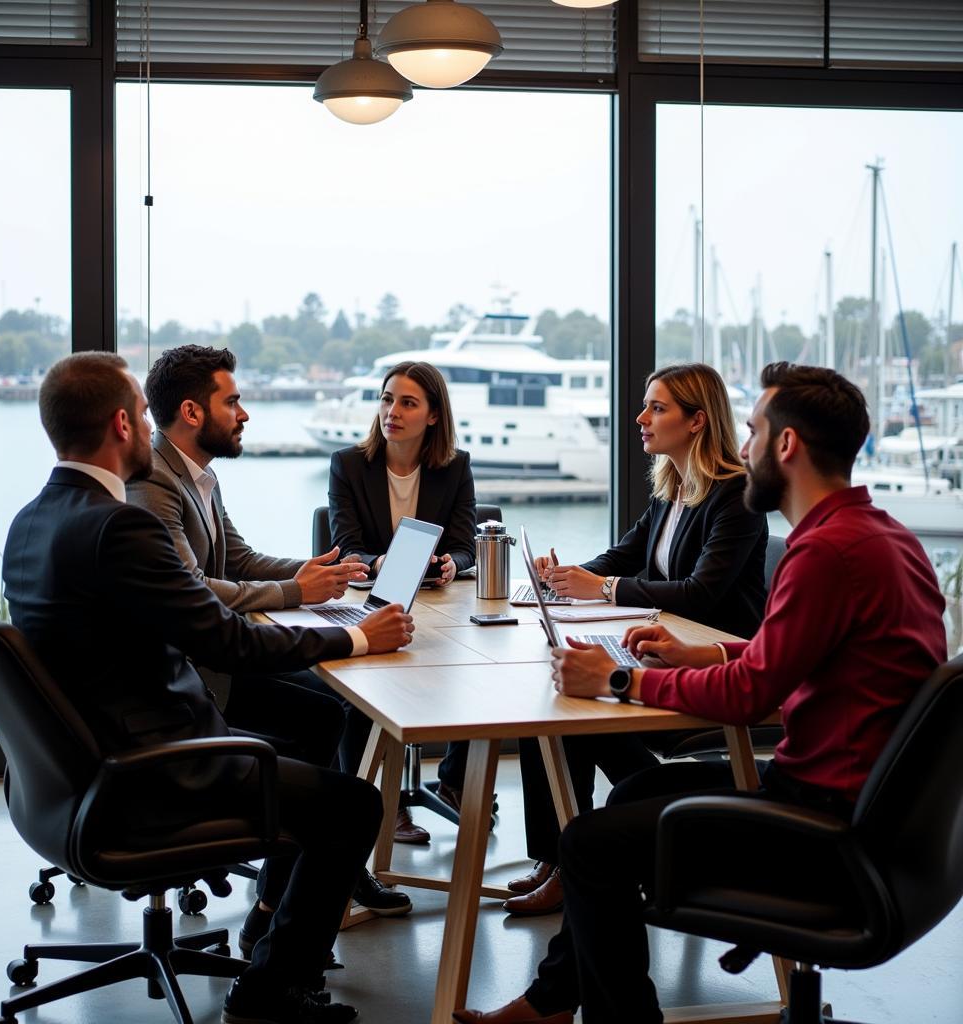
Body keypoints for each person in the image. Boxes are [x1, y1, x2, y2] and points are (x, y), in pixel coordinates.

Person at [453, 362, 947, 1024]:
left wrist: (621, 679)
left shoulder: (827, 551)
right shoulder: (882, 536)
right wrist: (707, 652)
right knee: (630, 797)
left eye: (752, 431)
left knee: (590, 846)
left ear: (787, 446)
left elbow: (748, 696)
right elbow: (795, 653)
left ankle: (601, 1015)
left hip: (823, 821)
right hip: (882, 816)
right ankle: (551, 1001)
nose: (743, 448)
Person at [3, 352, 414, 1024]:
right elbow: (227, 641)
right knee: (352, 806)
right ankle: (270, 994)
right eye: (140, 412)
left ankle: (269, 935)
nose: (149, 423)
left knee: (318, 733)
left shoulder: (32, 520)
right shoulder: (121, 526)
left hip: (67, 777)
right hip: (155, 774)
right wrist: (359, 638)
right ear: (122, 425)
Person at [127, 344, 410, 917]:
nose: (246, 413)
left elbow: (238, 558)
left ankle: (295, 886)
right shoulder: (155, 483)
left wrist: (311, 574)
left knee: (332, 706)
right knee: (328, 708)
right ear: (192, 412)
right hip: (195, 679)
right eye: (233, 401)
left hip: (210, 661)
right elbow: (198, 588)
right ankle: (295, 890)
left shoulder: (196, 474)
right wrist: (297, 593)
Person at [508, 362, 767, 916]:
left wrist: (599, 587)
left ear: (697, 421)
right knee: (552, 699)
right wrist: (565, 578)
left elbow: (701, 594)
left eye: (657, 407)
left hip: (712, 658)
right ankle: (557, 859)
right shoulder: (671, 489)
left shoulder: (736, 495)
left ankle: (579, 854)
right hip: (664, 644)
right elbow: (624, 557)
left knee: (564, 708)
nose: (640, 417)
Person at [328, 360, 477, 844]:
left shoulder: (455, 466)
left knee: (474, 668)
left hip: (438, 604)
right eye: (386, 399)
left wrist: (453, 563)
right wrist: (378, 563)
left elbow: (464, 542)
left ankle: (453, 781)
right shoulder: (348, 464)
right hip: (371, 599)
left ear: (433, 415)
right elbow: (346, 544)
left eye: (407, 402)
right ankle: (378, 804)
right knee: (365, 688)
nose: (392, 411)